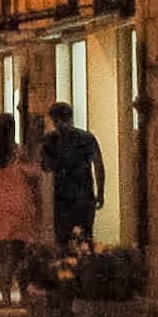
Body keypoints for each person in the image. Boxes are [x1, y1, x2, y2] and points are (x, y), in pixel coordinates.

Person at [0, 119, 42, 303]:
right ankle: (22, 292)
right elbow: (33, 173)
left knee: (0, 254)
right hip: (18, 203)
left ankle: (5, 295)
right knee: (17, 251)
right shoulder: (18, 152)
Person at [41, 102, 106, 247]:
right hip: (84, 195)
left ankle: (67, 267)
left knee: (63, 240)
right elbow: (98, 165)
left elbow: (45, 167)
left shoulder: (50, 141)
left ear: (54, 120)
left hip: (62, 197)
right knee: (85, 239)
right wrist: (100, 192)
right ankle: (83, 267)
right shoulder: (87, 138)